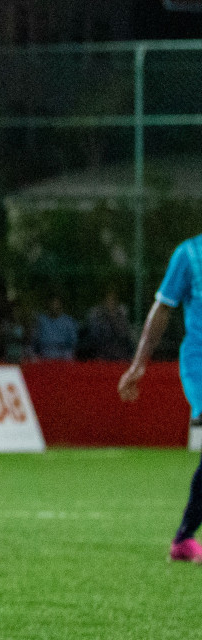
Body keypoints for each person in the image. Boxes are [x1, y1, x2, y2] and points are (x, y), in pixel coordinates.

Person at [120, 239, 202, 561]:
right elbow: (163, 307)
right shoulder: (190, 254)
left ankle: (183, 540)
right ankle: (183, 539)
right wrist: (139, 363)